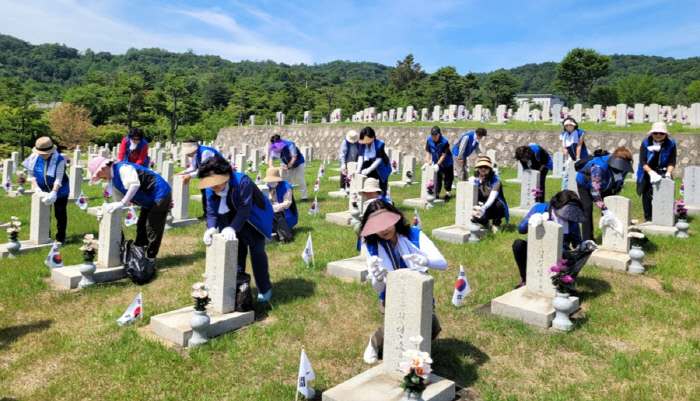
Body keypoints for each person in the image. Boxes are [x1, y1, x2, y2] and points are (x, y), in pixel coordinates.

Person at [360, 200, 445, 363]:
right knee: (392, 329)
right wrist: (377, 277)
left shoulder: (415, 235)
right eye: (378, 226)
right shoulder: (373, 246)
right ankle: (374, 342)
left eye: (387, 223)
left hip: (419, 293)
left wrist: (425, 261)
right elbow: (378, 289)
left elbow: (443, 263)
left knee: (432, 329)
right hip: (391, 296)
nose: (384, 229)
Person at [199, 156, 274, 302]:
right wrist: (211, 227)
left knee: (257, 252)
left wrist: (233, 227)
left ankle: (264, 288)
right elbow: (211, 211)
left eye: (216, 183)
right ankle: (238, 286)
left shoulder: (242, 181)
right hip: (227, 217)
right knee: (235, 252)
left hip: (253, 219)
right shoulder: (210, 189)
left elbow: (245, 209)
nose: (213, 187)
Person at [88, 156, 172, 263]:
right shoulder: (114, 181)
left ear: (103, 168)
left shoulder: (123, 168)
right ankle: (139, 254)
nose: (100, 178)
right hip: (147, 198)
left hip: (160, 193)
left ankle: (151, 257)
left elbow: (134, 184)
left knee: (152, 228)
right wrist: (103, 213)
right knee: (141, 226)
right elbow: (117, 202)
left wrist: (123, 202)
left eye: (98, 175)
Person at [512, 190, 587, 289]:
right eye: (565, 213)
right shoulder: (539, 209)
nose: (567, 217)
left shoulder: (572, 220)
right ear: (556, 206)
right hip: (538, 248)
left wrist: (584, 248)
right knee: (518, 244)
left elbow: (577, 242)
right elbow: (521, 229)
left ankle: (562, 281)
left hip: (560, 252)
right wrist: (531, 220)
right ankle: (526, 279)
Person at [576, 147, 634, 241]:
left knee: (611, 207)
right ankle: (588, 239)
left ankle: (610, 237)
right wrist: (604, 209)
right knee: (587, 208)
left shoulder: (624, 167)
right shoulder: (598, 168)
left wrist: (614, 201)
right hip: (585, 184)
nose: (620, 171)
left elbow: (619, 185)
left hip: (607, 184)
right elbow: (595, 191)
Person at [23, 137, 70, 243]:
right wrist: (36, 188)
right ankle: (45, 235)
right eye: (41, 153)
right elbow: (31, 175)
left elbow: (58, 178)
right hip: (42, 189)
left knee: (60, 213)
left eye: (46, 153)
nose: (44, 155)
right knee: (44, 212)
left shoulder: (59, 159)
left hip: (60, 189)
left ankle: (61, 236)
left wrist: (54, 192)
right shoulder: (33, 158)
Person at [636, 122, 677, 222]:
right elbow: (642, 161)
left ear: (666, 134)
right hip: (647, 171)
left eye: (661, 133)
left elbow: (672, 162)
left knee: (665, 193)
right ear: (651, 134)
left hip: (664, 170)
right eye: (656, 133)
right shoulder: (645, 143)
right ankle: (648, 217)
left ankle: (663, 216)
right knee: (647, 194)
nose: (658, 135)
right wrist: (650, 172)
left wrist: (668, 174)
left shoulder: (671, 145)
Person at [177, 139, 224, 216]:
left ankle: (214, 213)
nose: (187, 154)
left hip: (219, 174)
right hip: (209, 174)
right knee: (204, 190)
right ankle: (207, 213)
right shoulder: (195, 154)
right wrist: (182, 173)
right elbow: (193, 167)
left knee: (212, 192)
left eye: (188, 151)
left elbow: (205, 169)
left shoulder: (205, 152)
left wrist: (189, 175)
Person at [470, 155, 509, 230]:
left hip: (493, 204)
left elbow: (492, 198)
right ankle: (485, 223)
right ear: (477, 168)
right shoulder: (473, 179)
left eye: (486, 167)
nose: (483, 169)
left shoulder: (496, 181)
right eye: (481, 167)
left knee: (499, 206)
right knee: (475, 214)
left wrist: (484, 208)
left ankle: (496, 222)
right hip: (481, 203)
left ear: (490, 169)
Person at [268, 134, 308, 201]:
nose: (277, 149)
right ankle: (288, 198)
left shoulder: (290, 145)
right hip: (287, 164)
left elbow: (294, 157)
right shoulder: (275, 148)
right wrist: (272, 169)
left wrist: (288, 166)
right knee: (288, 181)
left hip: (299, 163)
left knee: (301, 180)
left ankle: (304, 197)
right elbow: (271, 159)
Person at [264, 167, 297, 243]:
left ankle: (286, 235)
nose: (270, 182)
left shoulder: (286, 187)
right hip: (270, 210)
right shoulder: (267, 186)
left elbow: (287, 203)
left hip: (285, 212)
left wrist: (274, 208)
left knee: (275, 214)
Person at [357, 127, 391, 196]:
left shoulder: (379, 145)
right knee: (369, 185)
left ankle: (383, 202)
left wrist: (369, 169)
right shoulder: (362, 143)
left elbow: (378, 160)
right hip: (368, 164)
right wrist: (358, 170)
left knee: (381, 188)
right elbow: (360, 157)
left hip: (381, 168)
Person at [424, 126, 454, 201]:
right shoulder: (429, 140)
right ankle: (437, 193)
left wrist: (438, 164)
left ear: (439, 134)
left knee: (448, 178)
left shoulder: (444, 142)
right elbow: (428, 151)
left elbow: (443, 155)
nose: (434, 136)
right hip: (436, 161)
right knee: (437, 178)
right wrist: (427, 162)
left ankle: (448, 193)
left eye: (435, 134)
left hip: (447, 162)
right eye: (432, 134)